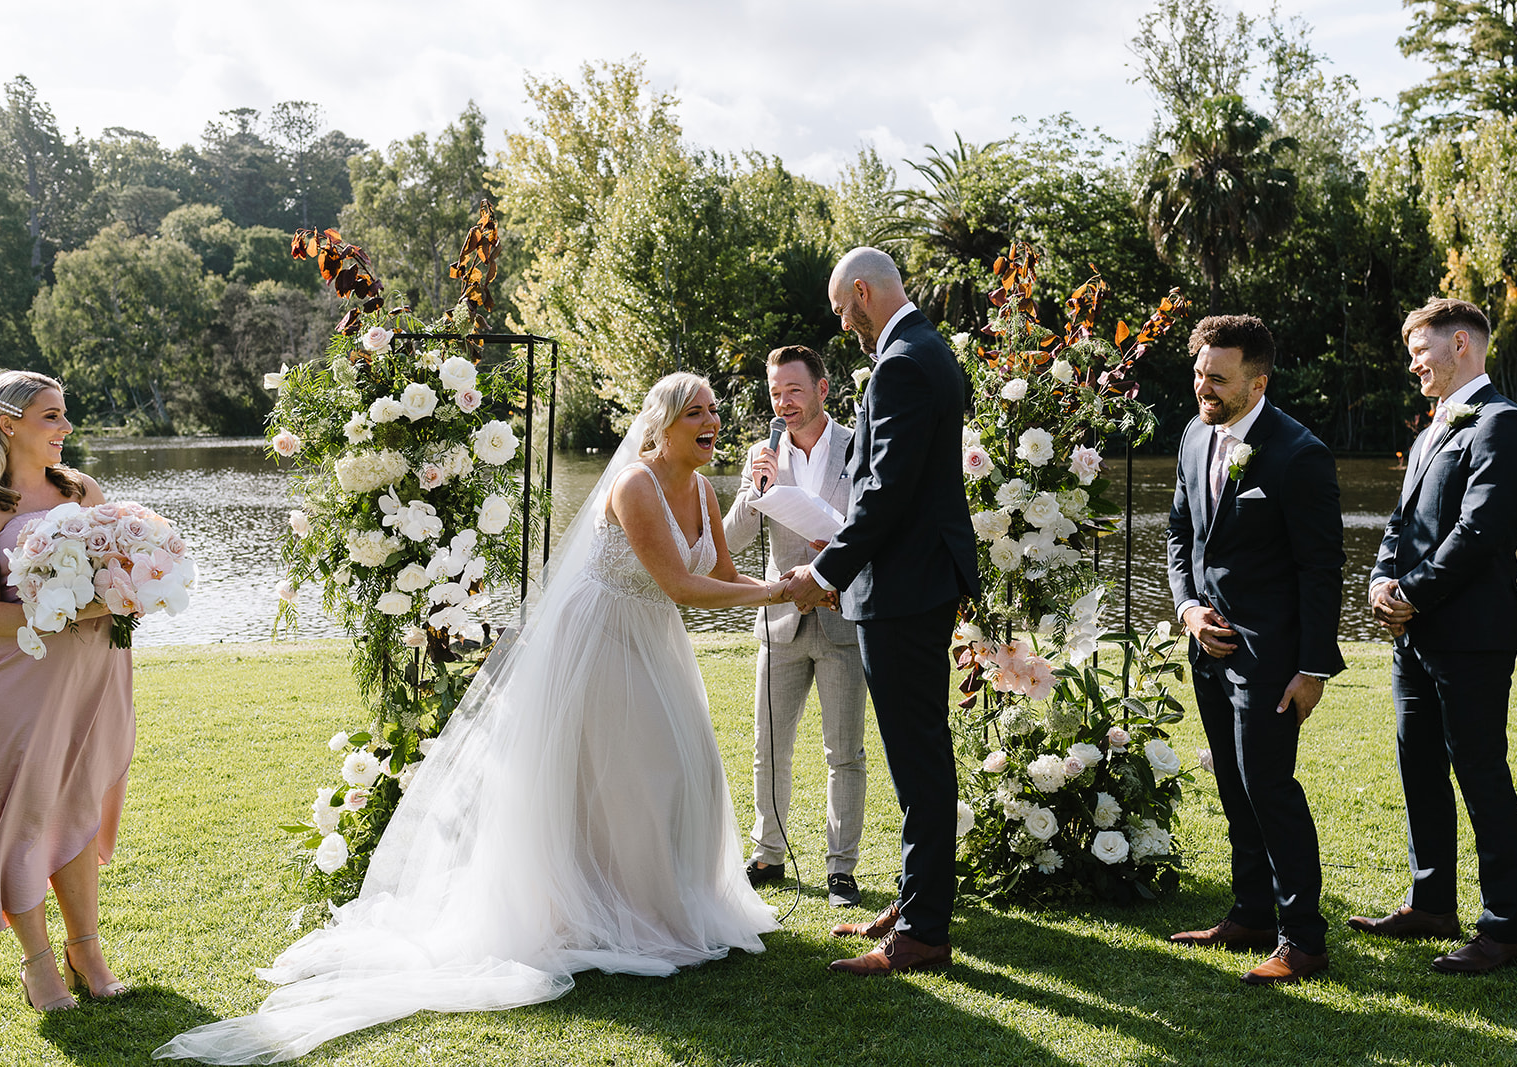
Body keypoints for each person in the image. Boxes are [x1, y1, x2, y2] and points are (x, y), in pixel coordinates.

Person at [157, 372, 791, 1064]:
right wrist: (782, 590)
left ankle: (666, 903)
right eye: (695, 411)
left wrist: (788, 587)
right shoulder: (635, 484)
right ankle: (617, 912)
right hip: (601, 639)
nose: (712, 421)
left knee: (679, 769)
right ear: (661, 423)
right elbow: (682, 584)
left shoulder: (701, 488)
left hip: (654, 641)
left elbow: (723, 574)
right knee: (632, 773)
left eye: (714, 411)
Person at [780, 247, 979, 976]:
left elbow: (885, 493)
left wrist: (827, 568)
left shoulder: (903, 360)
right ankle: (915, 896)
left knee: (918, 755)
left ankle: (923, 930)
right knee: (913, 752)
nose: (843, 323)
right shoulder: (925, 349)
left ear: (862, 292)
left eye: (842, 309)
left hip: (905, 586)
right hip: (913, 579)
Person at [1353, 298, 1517, 974]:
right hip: (1415, 635)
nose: (1412, 364)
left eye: (1419, 350)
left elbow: (1481, 531)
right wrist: (1381, 580)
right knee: (1418, 765)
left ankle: (1504, 929)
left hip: (1473, 635)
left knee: (1481, 772)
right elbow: (1401, 523)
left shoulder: (1505, 425)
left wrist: (1411, 592)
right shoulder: (1434, 425)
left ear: (1461, 343)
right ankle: (1431, 901)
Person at [1164, 315, 1345, 986]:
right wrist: (1187, 609)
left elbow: (1322, 569)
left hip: (1271, 656)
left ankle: (1303, 939)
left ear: (1257, 381)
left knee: (1270, 788)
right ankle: (1249, 911)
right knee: (1235, 787)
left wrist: (1313, 666)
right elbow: (1180, 534)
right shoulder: (1190, 435)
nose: (1203, 387)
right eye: (1199, 373)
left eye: (1218, 377)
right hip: (1207, 646)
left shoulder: (1299, 454)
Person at [0, 371, 134, 1011]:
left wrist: (132, 591)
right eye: (51, 417)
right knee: (25, 814)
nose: (66, 429)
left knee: (80, 809)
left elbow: (118, 570)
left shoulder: (82, 490)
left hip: (94, 670)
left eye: (65, 417)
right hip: (18, 682)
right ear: (8, 424)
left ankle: (86, 948)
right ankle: (38, 963)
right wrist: (73, 609)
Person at [722, 345, 868, 908]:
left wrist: (833, 553)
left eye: (794, 390)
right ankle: (768, 854)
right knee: (770, 746)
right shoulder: (763, 454)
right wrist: (755, 492)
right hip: (778, 619)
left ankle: (841, 868)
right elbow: (729, 540)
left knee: (844, 752)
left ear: (823, 390)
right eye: (776, 392)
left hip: (840, 617)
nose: (783, 402)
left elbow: (874, 528)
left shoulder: (860, 446)